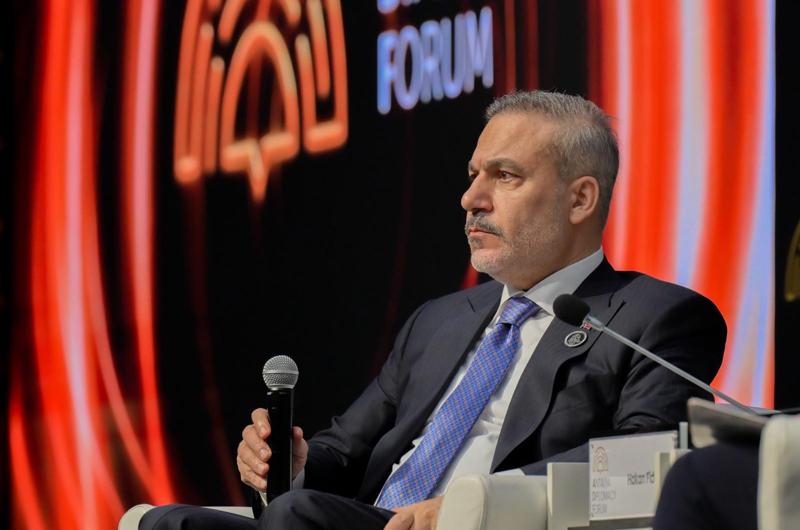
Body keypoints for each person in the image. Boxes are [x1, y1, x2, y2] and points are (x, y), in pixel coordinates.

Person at [141, 90, 726, 530]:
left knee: (300, 517)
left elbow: (641, 460)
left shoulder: (655, 318)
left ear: (580, 199)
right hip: (372, 521)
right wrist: (292, 466)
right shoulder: (439, 320)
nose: (470, 198)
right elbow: (343, 451)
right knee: (167, 522)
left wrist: (479, 503)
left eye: (505, 176)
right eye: (473, 176)